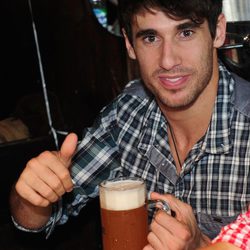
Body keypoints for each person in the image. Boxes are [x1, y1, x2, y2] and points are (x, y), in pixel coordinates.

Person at [9, 0, 250, 249]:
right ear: (129, 44)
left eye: (185, 32)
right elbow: (37, 218)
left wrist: (201, 246)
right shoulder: (126, 114)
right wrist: (32, 198)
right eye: (150, 38)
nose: (168, 60)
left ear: (218, 31)